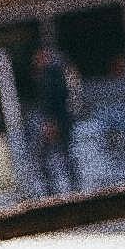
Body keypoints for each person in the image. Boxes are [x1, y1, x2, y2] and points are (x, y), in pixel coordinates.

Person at [32, 46, 82, 195]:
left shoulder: (50, 75)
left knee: (46, 156)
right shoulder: (56, 74)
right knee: (63, 154)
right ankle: (73, 187)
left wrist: (51, 122)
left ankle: (55, 190)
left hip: (56, 121)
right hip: (61, 120)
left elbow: (53, 100)